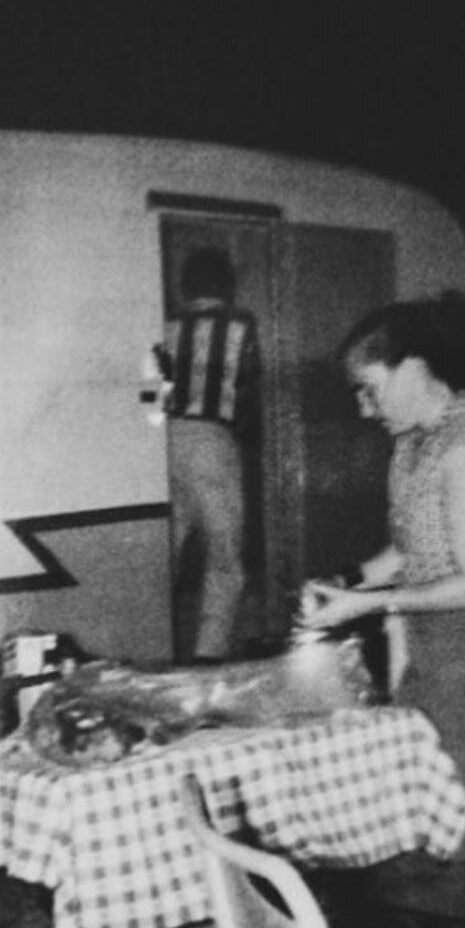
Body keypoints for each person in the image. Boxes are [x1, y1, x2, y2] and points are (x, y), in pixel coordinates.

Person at [300, 291, 465, 872]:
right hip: (434, 638)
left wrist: (363, 606)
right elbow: (413, 550)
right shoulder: (414, 442)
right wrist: (349, 581)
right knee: (421, 796)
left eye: (370, 388)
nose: (364, 408)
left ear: (412, 368)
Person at [158, 247, 261, 663]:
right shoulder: (240, 323)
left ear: (186, 286)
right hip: (212, 439)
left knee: (167, 549)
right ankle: (208, 655)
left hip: (164, 439)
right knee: (224, 557)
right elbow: (249, 388)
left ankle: (154, 642)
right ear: (227, 285)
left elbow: (148, 392)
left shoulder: (164, 325)